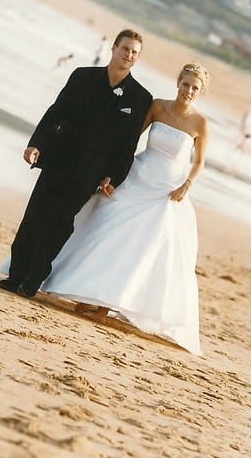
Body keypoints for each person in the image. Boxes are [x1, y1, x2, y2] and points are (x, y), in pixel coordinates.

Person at [39, 62, 210, 354]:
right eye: (186, 84)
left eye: (195, 88)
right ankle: (86, 290)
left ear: (200, 91)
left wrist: (187, 185)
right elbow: (130, 139)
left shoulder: (200, 124)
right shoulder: (157, 107)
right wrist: (111, 169)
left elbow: (198, 161)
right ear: (178, 82)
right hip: (138, 177)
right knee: (105, 230)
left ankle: (105, 306)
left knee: (140, 248)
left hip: (165, 193)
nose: (189, 91)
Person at [0, 29, 153, 297]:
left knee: (59, 223)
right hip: (58, 158)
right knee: (35, 216)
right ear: (113, 48)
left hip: (89, 173)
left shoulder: (140, 98)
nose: (129, 55)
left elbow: (128, 145)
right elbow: (56, 111)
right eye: (125, 48)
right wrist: (36, 144)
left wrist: (113, 177)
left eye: (134, 52)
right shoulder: (82, 76)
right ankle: (16, 275)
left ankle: (33, 280)